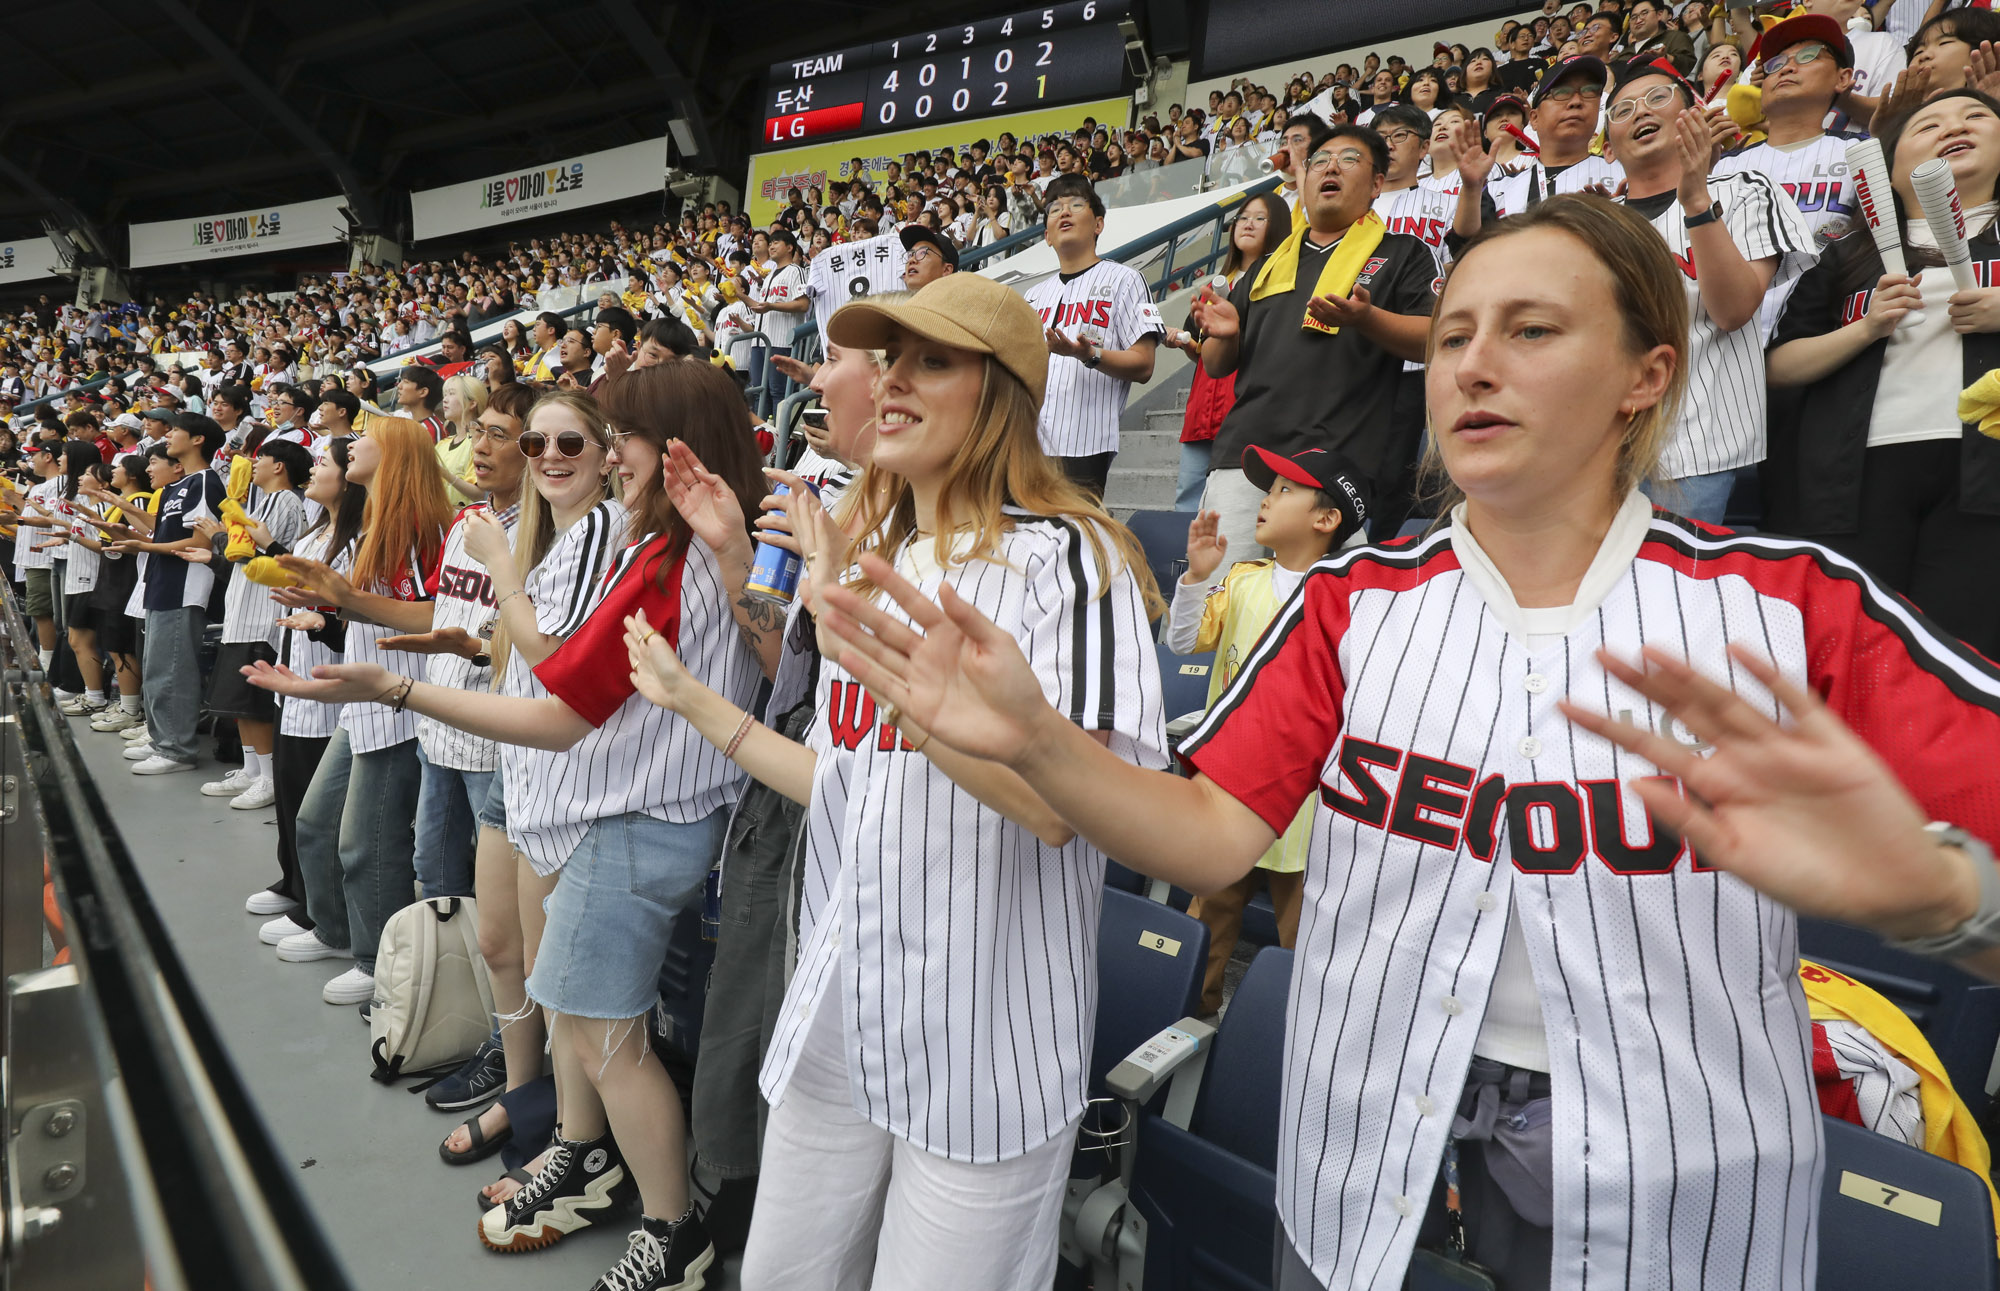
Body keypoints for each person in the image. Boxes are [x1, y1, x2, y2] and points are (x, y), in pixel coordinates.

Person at [813, 190, 2000, 1291]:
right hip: (1360, 1164)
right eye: (1449, 339)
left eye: (1530, 331)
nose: (1473, 365)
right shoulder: (1351, 600)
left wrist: (1947, 901)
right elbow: (1208, 840)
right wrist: (1034, 742)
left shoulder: (1795, 603)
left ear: (1647, 372)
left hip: (1678, 1196)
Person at [613, 272, 1166, 1291]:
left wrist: (903, 687)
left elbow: (1065, 808)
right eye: (891, 359)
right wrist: (699, 704)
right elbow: (848, 782)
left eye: (935, 360)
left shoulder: (1068, 556)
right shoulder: (876, 551)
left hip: (982, 1050)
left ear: (997, 391)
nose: (897, 381)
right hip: (837, 1015)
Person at [250, 363, 763, 1291]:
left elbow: (563, 696)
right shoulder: (662, 549)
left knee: (607, 1035)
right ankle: (596, 1162)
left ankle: (669, 1228)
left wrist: (401, 682)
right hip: (611, 804)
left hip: (635, 812)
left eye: (613, 436)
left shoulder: (667, 553)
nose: (606, 453)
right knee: (581, 1016)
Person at [1766, 89, 2000, 657]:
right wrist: (1866, 329)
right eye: (1928, 125)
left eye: (1977, 116)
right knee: (1859, 653)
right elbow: (1779, 368)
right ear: (1889, 173)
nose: (1953, 127)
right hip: (1856, 478)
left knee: (1967, 657)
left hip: (1986, 479)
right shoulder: (1847, 255)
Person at [1166, 447, 1368, 1016]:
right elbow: (1184, 642)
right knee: (1205, 932)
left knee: (1307, 950)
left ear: (1326, 519)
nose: (1265, 498)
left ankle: (1291, 1051)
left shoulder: (1354, 598)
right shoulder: (1241, 580)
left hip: (1311, 809)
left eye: (1284, 491)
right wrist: (1197, 581)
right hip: (1229, 794)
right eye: (1268, 488)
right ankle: (1185, 1032)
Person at [266, 416, 453, 1005]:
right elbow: (380, 611)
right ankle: (340, 931)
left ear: (393, 453)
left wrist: (341, 601)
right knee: (316, 823)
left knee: (368, 842)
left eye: (363, 438)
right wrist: (333, 609)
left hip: (403, 701)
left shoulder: (420, 526)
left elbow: (431, 617)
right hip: (367, 702)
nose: (348, 447)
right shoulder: (377, 521)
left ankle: (379, 963)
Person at [1191, 125, 1438, 559]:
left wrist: (1368, 318)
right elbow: (1216, 365)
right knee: (1223, 604)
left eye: (1348, 159)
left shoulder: (1402, 253)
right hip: (1245, 458)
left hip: (1336, 466)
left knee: (1320, 616)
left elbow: (1431, 341)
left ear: (1377, 183)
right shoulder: (1267, 264)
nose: (1330, 167)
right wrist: (1224, 335)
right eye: (1321, 160)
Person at [1606, 55, 1815, 523]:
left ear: (1693, 116)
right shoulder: (1598, 220)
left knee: (1670, 586)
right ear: (1608, 147)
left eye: (1658, 98)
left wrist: (1697, 201)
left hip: (1698, 446)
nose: (1640, 111)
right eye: (1622, 110)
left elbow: (1733, 309)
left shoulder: (1745, 187)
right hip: (1599, 446)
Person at [248, 437, 365, 931]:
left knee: (318, 808)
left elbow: (355, 618)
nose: (313, 469)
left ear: (347, 479)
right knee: (290, 790)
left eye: (323, 463)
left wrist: (321, 620)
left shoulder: (357, 540)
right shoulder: (317, 532)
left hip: (326, 686)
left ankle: (318, 901)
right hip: (294, 678)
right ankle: (293, 880)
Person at [1022, 174, 1165, 496]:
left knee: (1073, 540)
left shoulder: (1125, 279)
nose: (1065, 212)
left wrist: (1087, 355)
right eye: (1055, 208)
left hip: (1084, 443)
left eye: (1076, 204)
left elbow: (1144, 364)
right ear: (1046, 235)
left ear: (1098, 224)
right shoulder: (1032, 296)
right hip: (1026, 445)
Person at [109, 412, 228, 775]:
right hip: (161, 585)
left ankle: (177, 749)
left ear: (197, 440)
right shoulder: (177, 487)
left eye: (176, 430)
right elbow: (161, 535)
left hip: (185, 588)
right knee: (157, 670)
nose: (168, 435)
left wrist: (144, 547)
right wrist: (135, 536)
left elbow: (201, 540)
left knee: (173, 671)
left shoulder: (206, 481)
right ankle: (163, 741)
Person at [196, 437, 311, 809]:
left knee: (254, 704)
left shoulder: (285, 500)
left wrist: (218, 532)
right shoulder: (264, 501)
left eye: (262, 458)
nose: (254, 463)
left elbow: (252, 554)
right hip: (242, 612)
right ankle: (250, 769)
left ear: (279, 466)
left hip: (263, 615)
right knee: (238, 702)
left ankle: (268, 776)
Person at [1172, 190, 1291, 511]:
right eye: (1243, 217)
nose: (1248, 224)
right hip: (1201, 416)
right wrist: (1185, 341)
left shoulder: (1283, 283)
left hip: (1244, 416)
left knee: (1237, 508)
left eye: (1259, 218)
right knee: (1187, 502)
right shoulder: (1215, 287)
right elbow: (1203, 353)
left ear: (1278, 226)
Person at [1489, 55, 1624, 214]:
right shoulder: (1497, 189)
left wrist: (1619, 218)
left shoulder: (1625, 172)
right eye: (1561, 92)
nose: (1576, 101)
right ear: (1534, 118)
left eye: (1589, 91)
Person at [1628, 0, 1699, 73]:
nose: (1638, 20)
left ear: (1659, 15)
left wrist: (1666, 58)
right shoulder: (1624, 52)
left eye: (1644, 13)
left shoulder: (1675, 37)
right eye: (1634, 17)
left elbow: (1688, 64)